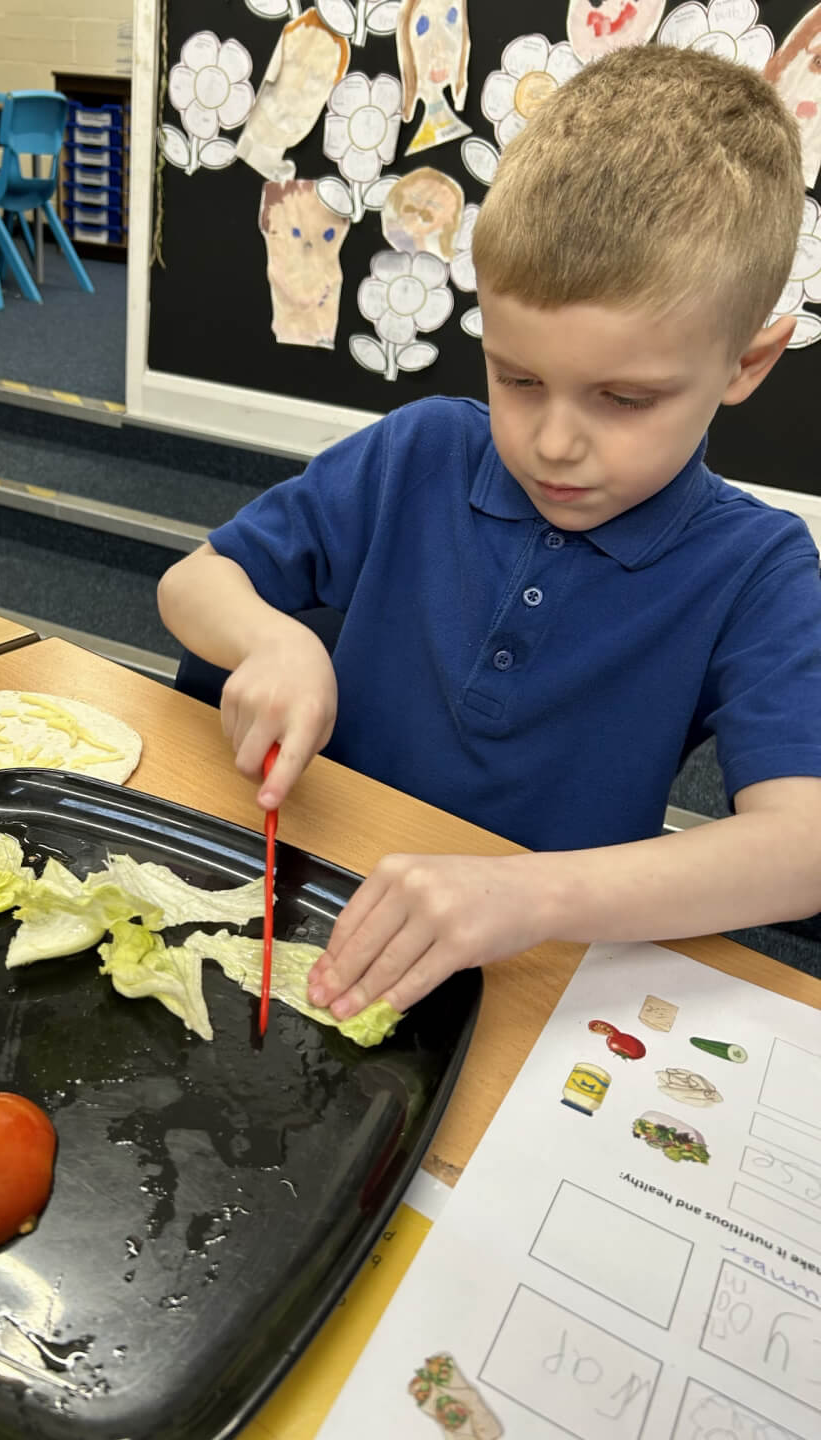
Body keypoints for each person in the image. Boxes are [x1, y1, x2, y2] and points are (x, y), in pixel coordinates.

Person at [157, 44, 821, 1026]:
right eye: (517, 379)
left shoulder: (759, 569)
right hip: (313, 905)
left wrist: (532, 893)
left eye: (625, 399)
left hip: (529, 967)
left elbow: (803, 848)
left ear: (747, 364)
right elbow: (193, 582)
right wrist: (274, 640)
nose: (554, 443)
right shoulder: (420, 450)